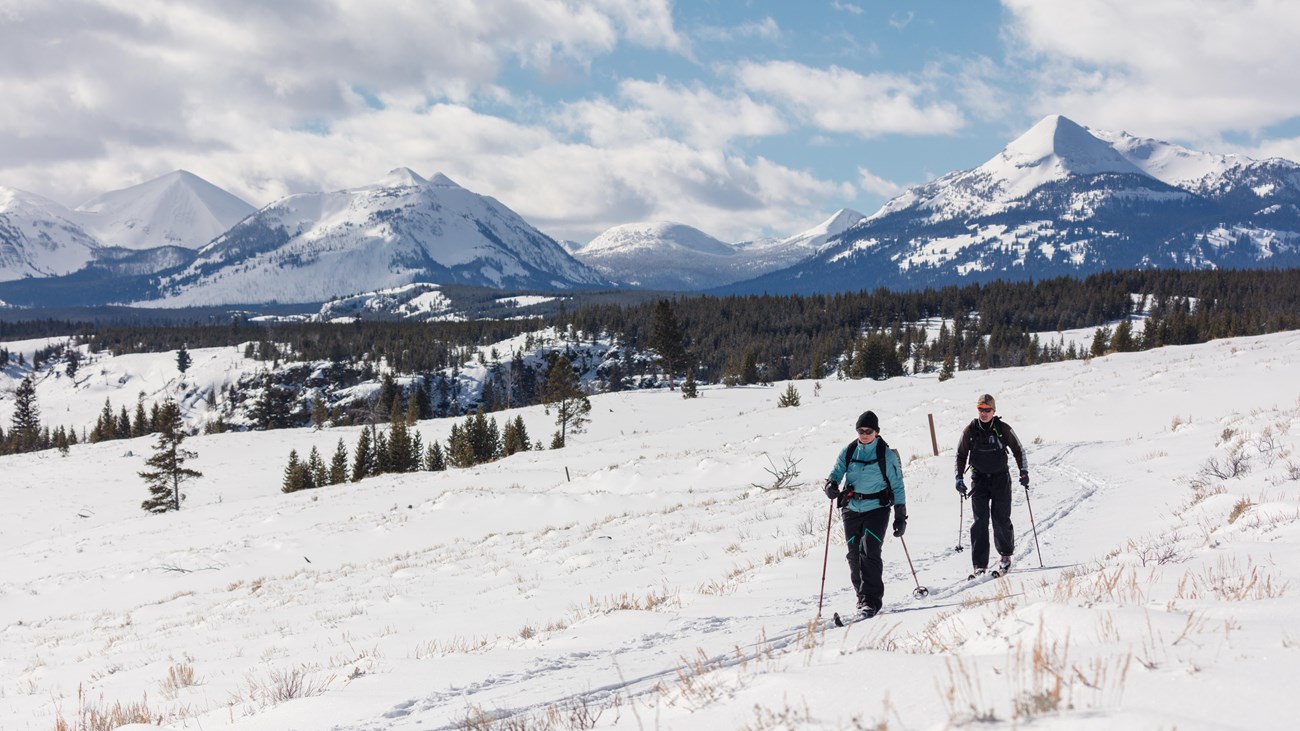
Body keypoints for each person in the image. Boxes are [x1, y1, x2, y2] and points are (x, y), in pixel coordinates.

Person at [822, 410, 907, 617]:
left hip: (877, 509)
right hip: (851, 509)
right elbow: (835, 473)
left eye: (869, 431)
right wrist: (830, 486)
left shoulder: (885, 454)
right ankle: (862, 599)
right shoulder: (849, 451)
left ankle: (871, 601)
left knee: (870, 551)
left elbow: (897, 485)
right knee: (854, 556)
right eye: (861, 431)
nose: (864, 434)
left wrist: (900, 515)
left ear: (876, 432)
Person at [954, 394, 1028, 578]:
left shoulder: (1003, 429)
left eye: (987, 410)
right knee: (980, 521)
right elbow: (960, 455)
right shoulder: (970, 430)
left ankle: (1005, 556)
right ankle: (979, 565)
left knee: (1001, 518)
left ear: (994, 411)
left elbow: (1018, 450)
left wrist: (1023, 471)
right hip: (979, 480)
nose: (984, 413)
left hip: (1001, 478)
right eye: (981, 409)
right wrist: (958, 478)